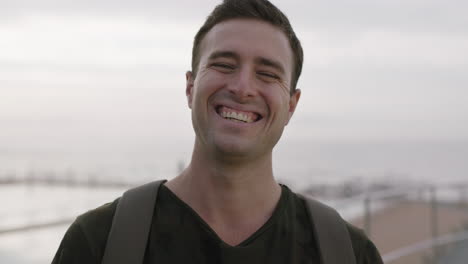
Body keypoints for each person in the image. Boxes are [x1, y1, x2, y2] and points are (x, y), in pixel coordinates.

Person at [52, 0, 383, 263]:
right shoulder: (100, 241)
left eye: (267, 74)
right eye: (224, 65)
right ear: (190, 87)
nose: (242, 87)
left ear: (292, 105)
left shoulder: (347, 253)